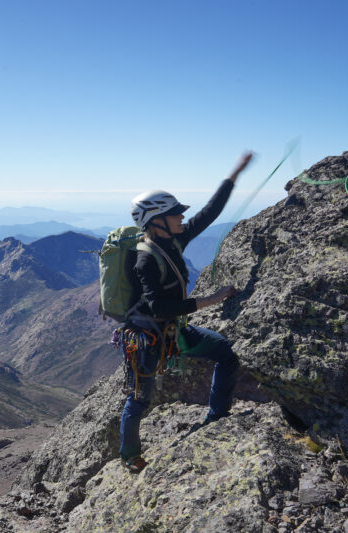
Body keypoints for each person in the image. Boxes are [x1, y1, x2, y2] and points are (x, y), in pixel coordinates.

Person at [119, 151, 253, 473]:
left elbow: (209, 213)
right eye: (175, 214)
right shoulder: (145, 259)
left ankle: (217, 417)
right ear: (156, 222)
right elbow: (159, 306)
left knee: (225, 352)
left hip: (173, 332)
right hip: (148, 338)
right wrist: (212, 299)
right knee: (139, 400)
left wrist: (232, 175)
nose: (182, 217)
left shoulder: (175, 239)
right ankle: (129, 456)